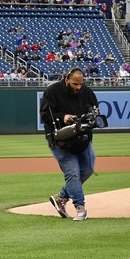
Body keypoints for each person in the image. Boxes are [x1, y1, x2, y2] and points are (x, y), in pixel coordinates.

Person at [40, 68, 99, 221]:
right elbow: (45, 115)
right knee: (72, 173)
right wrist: (63, 117)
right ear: (66, 79)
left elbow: (93, 108)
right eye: (74, 84)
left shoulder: (86, 92)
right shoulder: (52, 92)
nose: (78, 87)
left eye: (80, 84)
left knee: (87, 170)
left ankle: (61, 197)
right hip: (60, 141)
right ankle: (80, 208)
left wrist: (93, 115)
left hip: (82, 139)